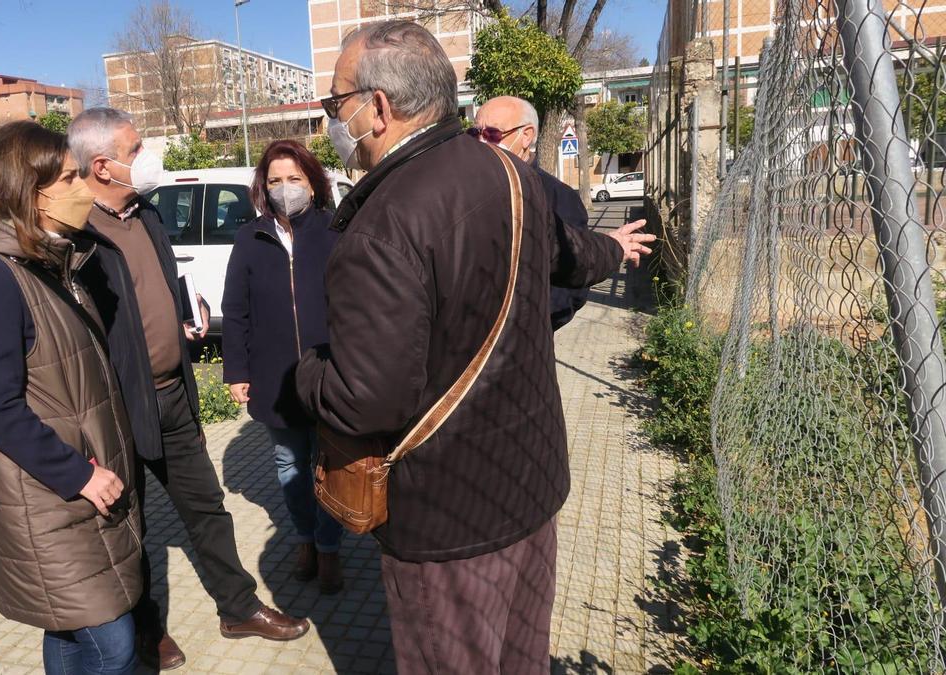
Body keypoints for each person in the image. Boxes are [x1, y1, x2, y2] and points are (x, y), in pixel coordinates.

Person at [295, 21, 655, 673]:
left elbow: (369, 398)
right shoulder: (510, 174)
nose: (332, 121)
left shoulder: (380, 226)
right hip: (530, 487)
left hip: (444, 524)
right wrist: (616, 250)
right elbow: (570, 253)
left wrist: (305, 373)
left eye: (335, 103)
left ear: (378, 108)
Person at [66, 108, 311, 671]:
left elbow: (157, 282)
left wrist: (182, 311)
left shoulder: (145, 213)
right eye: (136, 147)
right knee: (131, 527)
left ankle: (239, 607)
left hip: (172, 393)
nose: (147, 154)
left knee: (207, 507)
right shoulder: (79, 232)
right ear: (102, 165)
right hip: (119, 408)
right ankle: (146, 628)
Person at [0, 121, 142, 675]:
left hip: (73, 496)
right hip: (45, 499)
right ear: (28, 192)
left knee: (71, 632)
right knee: (113, 644)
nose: (81, 185)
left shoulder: (48, 260)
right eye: (67, 177)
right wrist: (79, 473)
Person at [221, 139, 345, 595]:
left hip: (330, 375)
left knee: (330, 468)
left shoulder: (335, 231)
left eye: (294, 178)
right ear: (262, 186)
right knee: (289, 467)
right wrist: (237, 371)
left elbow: (355, 304)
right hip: (275, 379)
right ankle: (305, 538)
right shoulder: (250, 237)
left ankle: (331, 547)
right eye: (275, 180)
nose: (285, 188)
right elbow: (235, 310)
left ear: (313, 182)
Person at [474, 95, 596, 330]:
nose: (480, 142)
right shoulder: (464, 187)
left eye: (491, 134)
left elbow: (572, 284)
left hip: (522, 345)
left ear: (526, 136)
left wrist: (524, 325)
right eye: (474, 134)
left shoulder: (558, 197)